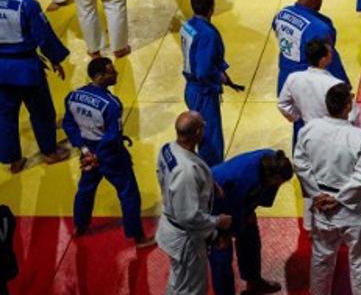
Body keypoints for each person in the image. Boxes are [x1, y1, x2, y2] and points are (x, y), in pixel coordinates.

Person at [294, 84, 361, 295]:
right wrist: (339, 199)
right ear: (348, 106)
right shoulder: (359, 137)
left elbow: (300, 164)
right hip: (352, 210)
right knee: (360, 259)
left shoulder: (309, 130)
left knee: (321, 258)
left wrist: (316, 193)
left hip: (321, 208)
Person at [63, 56, 153, 246]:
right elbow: (111, 135)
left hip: (87, 152)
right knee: (128, 192)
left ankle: (80, 226)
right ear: (99, 76)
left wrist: (86, 150)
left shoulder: (73, 96)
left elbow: (69, 125)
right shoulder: (111, 104)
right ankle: (138, 237)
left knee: (85, 190)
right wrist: (100, 153)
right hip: (111, 155)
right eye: (111, 71)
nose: (117, 74)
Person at [0, 0, 70, 173]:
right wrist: (55, 59)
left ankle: (14, 160)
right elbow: (43, 36)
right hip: (25, 68)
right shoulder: (27, 4)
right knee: (41, 111)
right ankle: (50, 152)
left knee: (5, 116)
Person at [156, 111, 233, 294]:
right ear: (198, 132)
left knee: (179, 282)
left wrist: (208, 184)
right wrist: (217, 222)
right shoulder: (186, 172)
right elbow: (188, 216)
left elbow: (166, 179)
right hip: (186, 239)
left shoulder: (168, 149)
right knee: (192, 289)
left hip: (170, 223)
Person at [208, 150, 293, 295]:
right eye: (279, 183)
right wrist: (221, 231)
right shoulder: (241, 178)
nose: (279, 186)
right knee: (221, 252)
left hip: (236, 199)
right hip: (214, 205)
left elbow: (263, 194)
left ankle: (254, 281)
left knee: (251, 238)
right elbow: (230, 202)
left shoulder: (273, 160)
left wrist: (250, 209)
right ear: (273, 177)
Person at [180, 0, 237, 169]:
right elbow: (204, 70)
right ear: (212, 8)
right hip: (203, 92)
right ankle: (214, 179)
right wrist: (217, 77)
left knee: (199, 136)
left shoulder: (188, 26)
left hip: (190, 89)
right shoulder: (208, 35)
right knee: (210, 141)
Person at [272, 0, 349, 94]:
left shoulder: (282, 14)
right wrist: (343, 86)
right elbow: (329, 60)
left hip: (285, 78)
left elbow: (275, 27)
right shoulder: (320, 28)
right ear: (315, 1)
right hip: (308, 84)